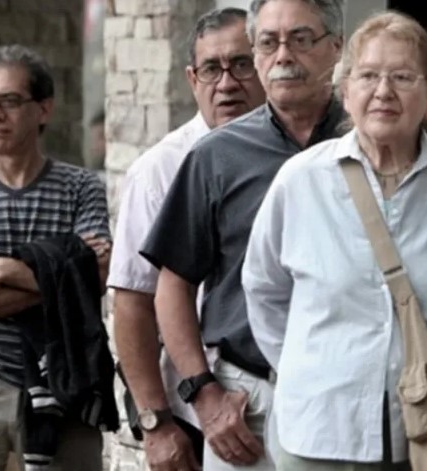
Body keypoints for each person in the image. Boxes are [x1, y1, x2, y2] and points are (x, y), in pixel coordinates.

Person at [242, 11, 427, 470]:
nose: (383, 91)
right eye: (367, 76)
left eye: (402, 77)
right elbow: (264, 291)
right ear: (345, 92)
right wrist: (312, 369)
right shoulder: (300, 180)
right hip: (320, 429)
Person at [140, 0, 345, 469]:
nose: (283, 55)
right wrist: (203, 393)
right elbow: (172, 285)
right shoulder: (216, 155)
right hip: (248, 402)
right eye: (268, 42)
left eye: (301, 39)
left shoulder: (365, 144)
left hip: (348, 395)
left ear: (336, 47)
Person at [109, 7, 266, 471]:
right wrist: (156, 426)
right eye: (211, 69)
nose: (227, 83)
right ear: (192, 79)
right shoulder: (160, 169)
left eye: (242, 64)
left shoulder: (297, 154)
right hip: (194, 411)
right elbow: (133, 303)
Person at [0, 44, 111, 470]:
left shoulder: (81, 187)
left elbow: (96, 275)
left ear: (44, 108)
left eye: (9, 100)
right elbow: (78, 277)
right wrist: (62, 274)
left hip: (67, 375)